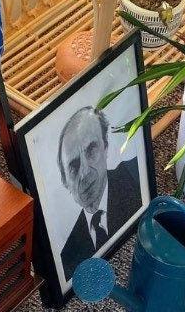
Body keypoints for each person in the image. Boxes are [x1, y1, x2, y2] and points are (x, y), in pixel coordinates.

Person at [57, 105, 141, 283]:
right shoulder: (67, 258)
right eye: (74, 165)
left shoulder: (138, 177)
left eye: (91, 150)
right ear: (65, 182)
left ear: (106, 147)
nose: (85, 172)